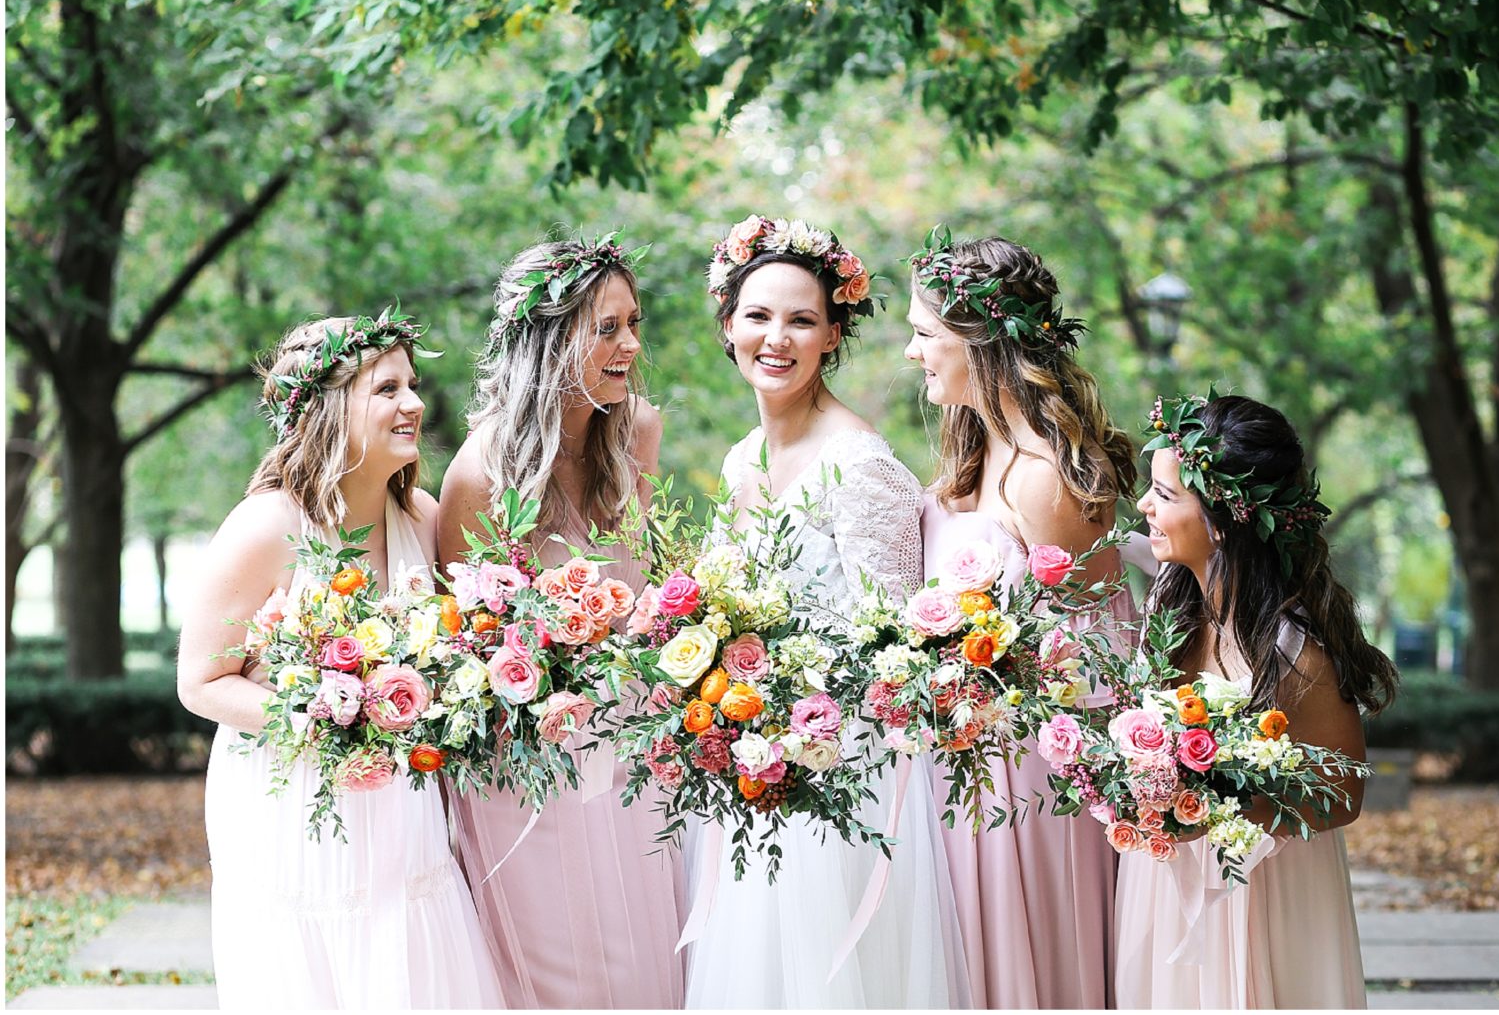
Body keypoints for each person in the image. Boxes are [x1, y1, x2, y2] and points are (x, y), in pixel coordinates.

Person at [681, 214, 970, 1008]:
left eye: (803, 319)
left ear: (833, 333)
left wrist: (794, 718)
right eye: (759, 315)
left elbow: (892, 646)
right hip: (754, 757)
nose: (777, 338)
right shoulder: (745, 455)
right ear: (728, 323)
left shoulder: (860, 463)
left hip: (843, 775)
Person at [177, 312, 503, 1009]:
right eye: (387, 388)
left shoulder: (421, 515)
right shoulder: (267, 527)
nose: (413, 402)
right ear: (330, 408)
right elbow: (201, 681)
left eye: (412, 385)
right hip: (295, 806)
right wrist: (334, 719)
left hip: (402, 809)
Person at [436, 234, 685, 1009]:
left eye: (632, 322)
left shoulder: (636, 433)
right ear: (547, 338)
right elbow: (466, 651)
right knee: (560, 976)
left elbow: (651, 586)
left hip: (634, 753)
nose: (631, 345)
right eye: (606, 327)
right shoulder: (483, 473)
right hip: (529, 773)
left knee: (651, 968)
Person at [904, 227, 1140, 1008]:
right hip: (961, 766)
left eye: (923, 333)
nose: (913, 353)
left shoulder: (1047, 477)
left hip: (1030, 783)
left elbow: (1098, 656)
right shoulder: (979, 451)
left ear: (976, 342)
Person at [1115, 391, 1397, 1008]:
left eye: (1163, 495)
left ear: (1222, 519)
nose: (1143, 506)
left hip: (1263, 891)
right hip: (1167, 884)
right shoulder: (1174, 603)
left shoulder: (1296, 652)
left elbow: (1344, 796)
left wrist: (1217, 803)